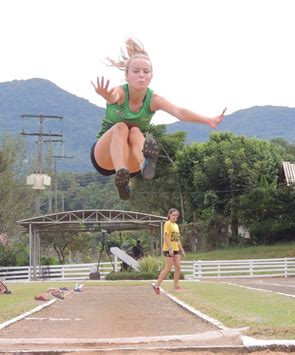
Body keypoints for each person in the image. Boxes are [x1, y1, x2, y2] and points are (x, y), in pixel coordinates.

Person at [91, 38, 227, 200]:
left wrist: (208, 120)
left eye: (146, 72)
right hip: (105, 156)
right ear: (126, 76)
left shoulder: (154, 99)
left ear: (151, 76)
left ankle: (145, 164)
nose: (141, 75)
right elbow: (113, 96)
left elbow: (180, 112)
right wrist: (106, 95)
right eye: (136, 71)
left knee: (135, 131)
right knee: (122, 127)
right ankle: (121, 176)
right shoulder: (121, 92)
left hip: (132, 160)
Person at [152, 208, 184, 294]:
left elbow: (177, 239)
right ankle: (156, 285)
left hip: (176, 248)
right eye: (173, 215)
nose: (174, 217)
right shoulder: (167, 224)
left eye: (176, 215)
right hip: (168, 249)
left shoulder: (176, 226)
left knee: (178, 266)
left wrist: (182, 250)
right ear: (169, 215)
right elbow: (165, 237)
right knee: (168, 268)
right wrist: (170, 248)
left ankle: (176, 285)